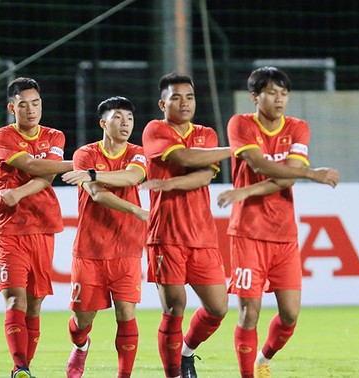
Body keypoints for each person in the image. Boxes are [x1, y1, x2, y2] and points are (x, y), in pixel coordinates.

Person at [217, 66, 339, 378]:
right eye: (272, 92)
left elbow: (285, 179)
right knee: (249, 312)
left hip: (284, 234)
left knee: (290, 314)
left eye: (284, 93)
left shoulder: (298, 127)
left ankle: (263, 358)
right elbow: (258, 162)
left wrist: (246, 189)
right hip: (247, 232)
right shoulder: (240, 124)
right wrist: (312, 174)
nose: (280, 99)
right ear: (255, 96)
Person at [140, 72, 231, 378]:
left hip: (202, 234)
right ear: (162, 103)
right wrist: (237, 150)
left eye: (189, 97)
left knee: (218, 308)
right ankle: (173, 374)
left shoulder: (206, 133)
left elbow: (204, 174)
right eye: (176, 97)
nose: (184, 103)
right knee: (174, 308)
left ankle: (187, 352)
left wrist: (171, 182)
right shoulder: (155, 129)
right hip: (166, 234)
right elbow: (184, 155)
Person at [0, 77, 73, 378]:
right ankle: (21, 368)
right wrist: (81, 165)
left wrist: (20, 193)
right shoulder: (1, 136)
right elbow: (36, 167)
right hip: (9, 229)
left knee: (35, 305)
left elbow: (45, 177)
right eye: (23, 105)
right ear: (12, 108)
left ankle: (23, 366)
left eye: (35, 103)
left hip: (42, 226)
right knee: (15, 298)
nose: (30, 110)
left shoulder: (55, 135)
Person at [60, 96, 148, 378]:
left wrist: (93, 175)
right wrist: (136, 208)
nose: (125, 124)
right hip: (90, 250)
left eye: (130, 119)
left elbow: (133, 177)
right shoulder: (84, 155)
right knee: (82, 320)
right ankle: (81, 346)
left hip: (127, 247)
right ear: (103, 122)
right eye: (118, 117)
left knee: (127, 313)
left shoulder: (138, 152)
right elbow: (97, 193)